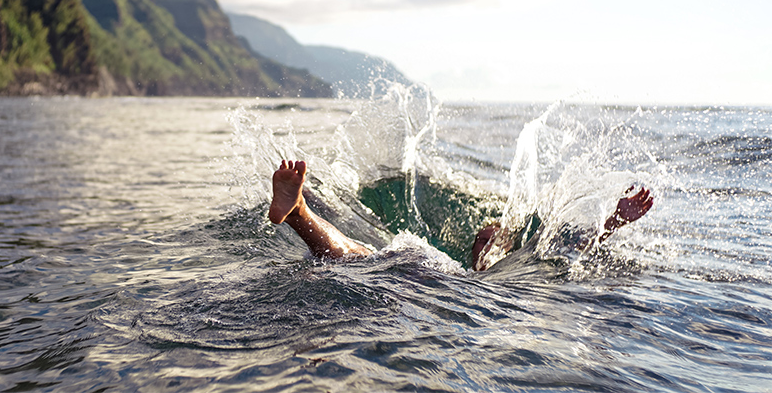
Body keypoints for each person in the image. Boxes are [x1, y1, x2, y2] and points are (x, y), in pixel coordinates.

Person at [269, 160, 653, 270]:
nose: (481, 240)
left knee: (359, 257)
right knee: (360, 255)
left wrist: (614, 221)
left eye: (490, 239)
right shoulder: (456, 267)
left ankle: (300, 211)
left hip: (441, 296)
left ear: (505, 249)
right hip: (425, 270)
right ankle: (298, 210)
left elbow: (569, 247)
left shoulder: (520, 266)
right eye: (480, 237)